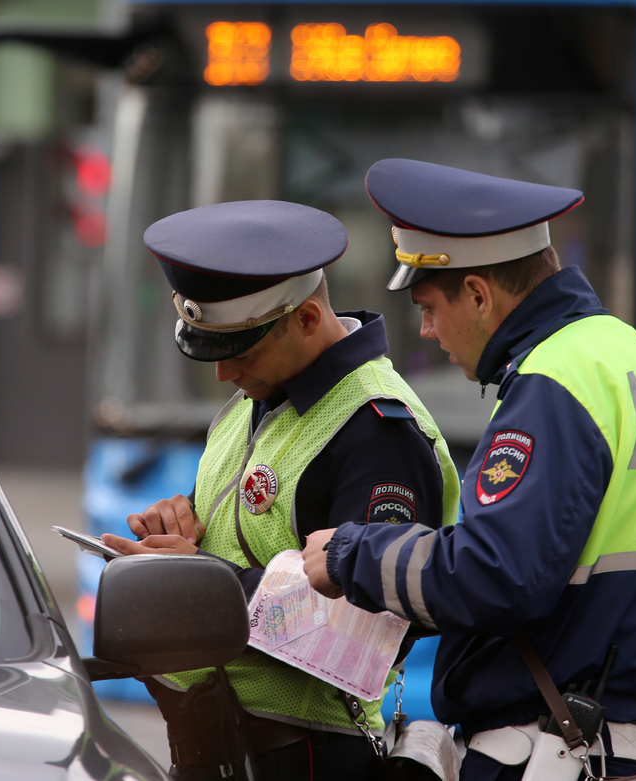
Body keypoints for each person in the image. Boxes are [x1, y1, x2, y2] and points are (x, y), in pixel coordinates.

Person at [301, 160, 636, 781]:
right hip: (635, 750)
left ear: (477, 293)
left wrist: (350, 554)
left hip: (551, 755)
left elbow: (494, 574)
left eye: (428, 306)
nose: (425, 330)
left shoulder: (555, 381)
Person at [99, 200, 460, 781]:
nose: (223, 373)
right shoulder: (257, 397)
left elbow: (364, 628)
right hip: (218, 746)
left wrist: (202, 587)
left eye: (240, 351)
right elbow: (243, 537)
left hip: (304, 756)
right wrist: (179, 521)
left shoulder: (379, 431)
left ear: (308, 319)